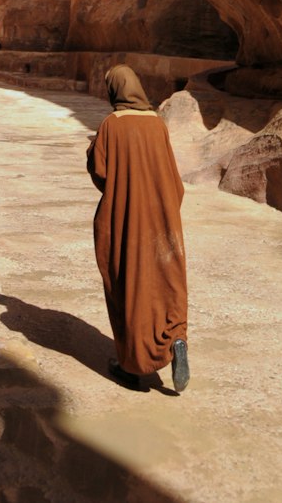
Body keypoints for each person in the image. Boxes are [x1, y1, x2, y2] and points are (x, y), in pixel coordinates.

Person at [86, 65, 189, 393]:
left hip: (125, 217)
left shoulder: (111, 125)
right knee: (165, 280)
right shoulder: (157, 124)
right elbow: (173, 177)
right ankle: (175, 338)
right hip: (163, 218)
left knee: (128, 282)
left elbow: (100, 172)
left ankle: (132, 366)